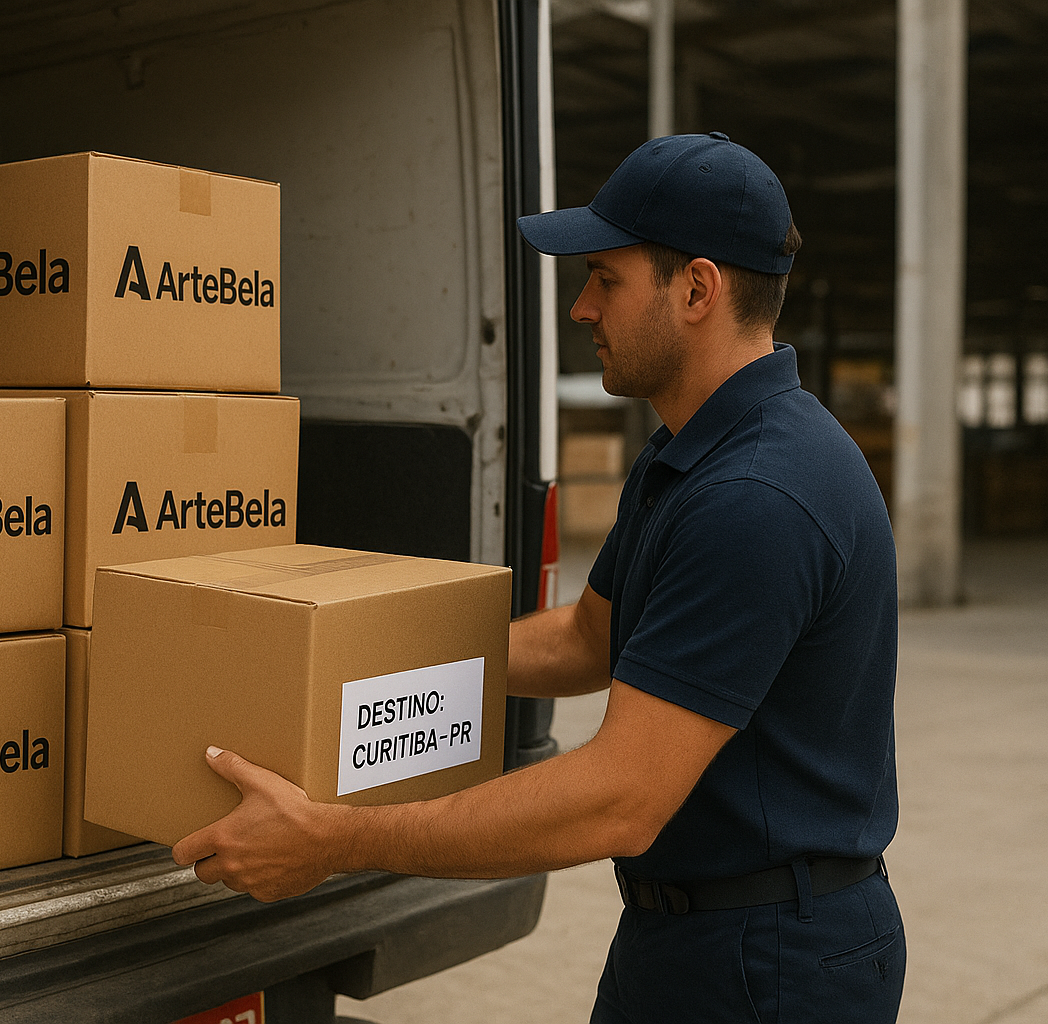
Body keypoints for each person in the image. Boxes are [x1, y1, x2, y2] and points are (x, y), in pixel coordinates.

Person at [171, 132, 904, 1023]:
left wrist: (332, 840)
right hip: (688, 935)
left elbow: (617, 799)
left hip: (769, 965)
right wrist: (347, 660)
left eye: (605, 277)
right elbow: (587, 639)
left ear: (698, 289)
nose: (580, 308)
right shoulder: (689, 449)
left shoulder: (756, 496)